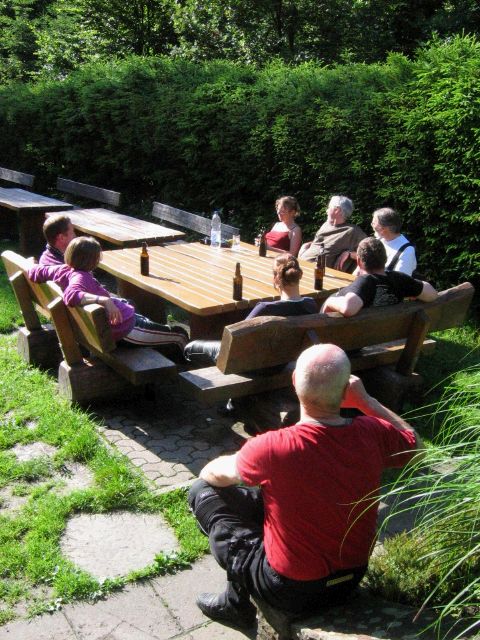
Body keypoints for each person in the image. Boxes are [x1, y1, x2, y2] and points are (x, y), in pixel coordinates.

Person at [188, 343, 424, 630]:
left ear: (294, 382)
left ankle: (236, 606)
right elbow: (417, 447)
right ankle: (234, 599)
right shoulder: (373, 434)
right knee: (266, 497)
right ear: (346, 389)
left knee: (203, 493)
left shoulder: (273, 448)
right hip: (352, 576)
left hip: (290, 590)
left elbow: (212, 475)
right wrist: (367, 401)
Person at [28, 236, 188, 357]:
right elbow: (71, 295)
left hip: (122, 321)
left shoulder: (62, 269)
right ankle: (190, 369)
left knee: (146, 317)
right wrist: (104, 300)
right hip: (127, 330)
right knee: (179, 334)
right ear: (92, 260)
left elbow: (35, 271)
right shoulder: (81, 277)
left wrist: (31, 265)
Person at [184, 253, 317, 363]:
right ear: (299, 276)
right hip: (282, 363)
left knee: (190, 347)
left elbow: (235, 339)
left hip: (250, 365)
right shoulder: (311, 305)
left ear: (276, 279)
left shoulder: (265, 309)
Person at [321, 237, 437, 317]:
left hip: (354, 341)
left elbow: (348, 308)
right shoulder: (399, 279)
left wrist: (329, 300)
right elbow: (432, 294)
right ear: (385, 259)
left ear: (359, 261)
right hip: (386, 334)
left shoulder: (365, 282)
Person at [298, 195, 366, 272]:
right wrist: (308, 244)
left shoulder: (352, 231)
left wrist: (350, 254)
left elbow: (369, 254)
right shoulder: (326, 225)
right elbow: (322, 243)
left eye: (329, 207)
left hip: (320, 274)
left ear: (337, 210)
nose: (326, 210)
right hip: (302, 266)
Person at [371, 207, 417, 275]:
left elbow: (401, 281)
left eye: (373, 223)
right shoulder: (378, 240)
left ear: (384, 229)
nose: (371, 225)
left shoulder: (407, 251)